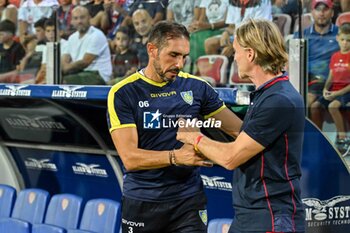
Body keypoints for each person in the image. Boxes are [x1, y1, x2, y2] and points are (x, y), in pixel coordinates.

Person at [107, 21, 242, 233]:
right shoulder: (123, 92)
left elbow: (239, 132)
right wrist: (176, 157)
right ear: (152, 50)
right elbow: (129, 158)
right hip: (143, 202)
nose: (179, 64)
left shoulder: (197, 88)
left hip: (189, 201)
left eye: (184, 57)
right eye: (173, 55)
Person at [177, 19, 306, 233]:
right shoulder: (268, 94)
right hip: (251, 213)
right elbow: (246, 144)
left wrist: (193, 137)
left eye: (236, 51)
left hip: (271, 215)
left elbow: (231, 157)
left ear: (250, 54)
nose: (233, 57)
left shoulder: (279, 100)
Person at [311, 23, 350, 153]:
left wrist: (336, 93)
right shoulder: (335, 56)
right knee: (315, 106)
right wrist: (325, 89)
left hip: (346, 91)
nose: (345, 43)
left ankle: (343, 140)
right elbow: (331, 76)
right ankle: (319, 139)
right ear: (338, 38)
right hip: (334, 90)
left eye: (348, 40)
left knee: (333, 106)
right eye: (343, 39)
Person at [294, 0, 339, 107]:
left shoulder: (341, 35)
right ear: (312, 12)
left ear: (332, 13)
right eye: (318, 9)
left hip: (331, 81)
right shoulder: (301, 35)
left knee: (306, 102)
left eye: (325, 9)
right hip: (305, 79)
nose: (321, 13)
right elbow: (293, 61)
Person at [61, 6, 112, 85]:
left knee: (64, 81)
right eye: (76, 18)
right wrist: (63, 68)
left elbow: (85, 62)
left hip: (97, 75)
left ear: (89, 18)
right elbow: (65, 58)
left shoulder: (97, 35)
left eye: (82, 18)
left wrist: (65, 68)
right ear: (72, 21)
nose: (79, 21)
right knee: (55, 78)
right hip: (80, 73)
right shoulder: (72, 38)